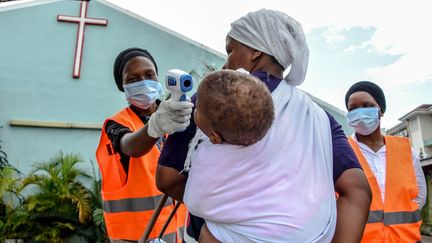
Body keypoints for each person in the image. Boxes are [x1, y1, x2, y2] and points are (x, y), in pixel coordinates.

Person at [156, 9, 372, 243]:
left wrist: (224, 213)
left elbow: (168, 179)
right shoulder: (319, 117)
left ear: (255, 50)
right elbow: (357, 190)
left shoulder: (212, 100)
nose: (226, 61)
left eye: (231, 49)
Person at [95, 48, 192, 242]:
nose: (143, 82)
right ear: (122, 86)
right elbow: (131, 146)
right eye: (133, 79)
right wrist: (155, 125)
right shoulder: (116, 124)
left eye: (149, 75)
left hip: (176, 232)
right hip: (134, 236)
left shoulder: (175, 116)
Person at [182, 70, 276, 241]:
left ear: (214, 137)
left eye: (198, 108)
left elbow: (193, 202)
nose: (195, 106)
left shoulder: (206, 159)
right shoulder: (264, 150)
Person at [345, 81, 426, 242]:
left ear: (380, 110)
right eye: (353, 108)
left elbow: (420, 196)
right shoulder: (342, 152)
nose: (360, 112)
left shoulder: (406, 151)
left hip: (405, 238)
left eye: (367, 105)